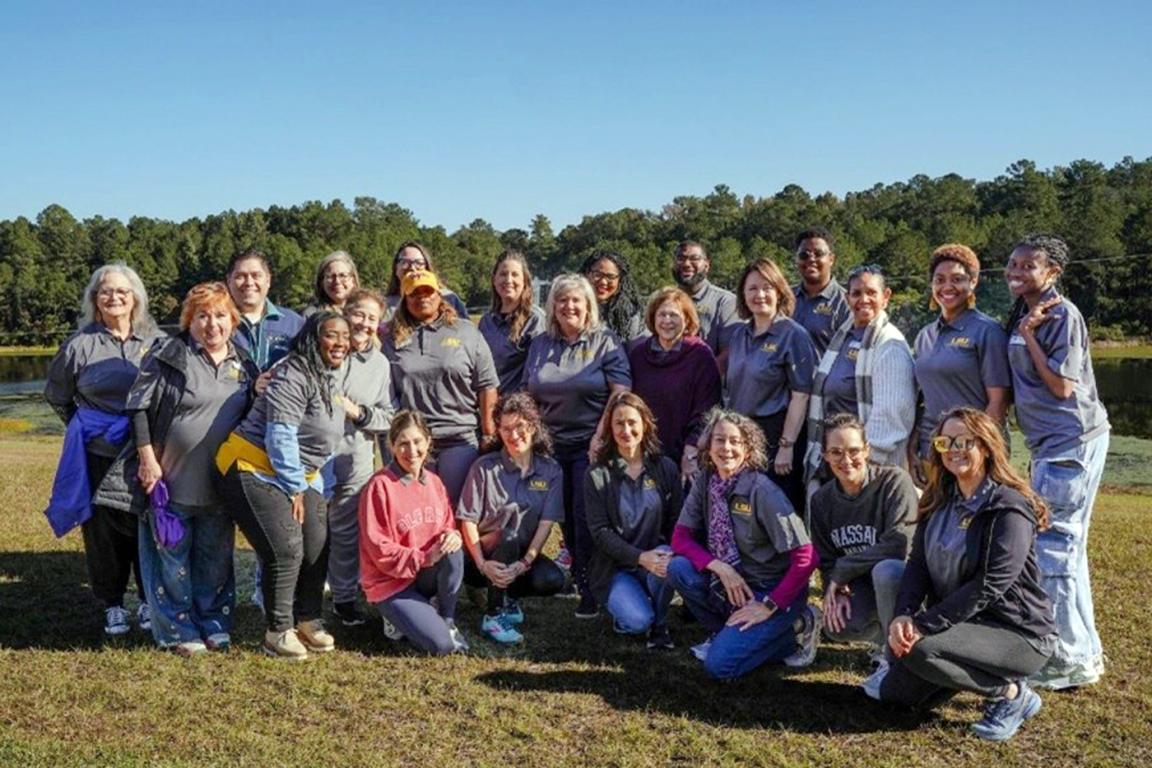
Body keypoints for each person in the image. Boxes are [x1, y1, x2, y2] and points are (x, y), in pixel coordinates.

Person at [869, 407, 1056, 743]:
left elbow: (992, 584)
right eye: (945, 442)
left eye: (963, 441)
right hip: (961, 626)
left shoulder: (1009, 507)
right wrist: (903, 615)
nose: (953, 449)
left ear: (984, 446)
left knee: (920, 650)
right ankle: (950, 669)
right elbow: (918, 564)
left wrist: (924, 625)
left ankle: (1011, 693)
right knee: (893, 696)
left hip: (1016, 631)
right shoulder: (939, 497)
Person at [118, 283, 260, 655]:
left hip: (220, 484)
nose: (211, 324)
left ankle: (213, 622)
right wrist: (147, 459)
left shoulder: (244, 363)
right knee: (172, 558)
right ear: (189, 320)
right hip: (171, 480)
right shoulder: (168, 355)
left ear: (233, 320)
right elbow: (138, 408)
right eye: (202, 315)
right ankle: (178, 630)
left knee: (214, 559)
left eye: (220, 316)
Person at [1004, 233, 1110, 689]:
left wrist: (1029, 337)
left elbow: (1062, 387)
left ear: (1052, 272)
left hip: (1070, 441)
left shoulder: (1060, 315)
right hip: (1050, 444)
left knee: (1054, 551)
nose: (1017, 271)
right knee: (1069, 550)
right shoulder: (1027, 311)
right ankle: (1085, 652)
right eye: (1012, 263)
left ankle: (1067, 659)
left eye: (1029, 265)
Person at [215, 312, 350, 659]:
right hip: (251, 465)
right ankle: (278, 630)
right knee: (286, 545)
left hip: (299, 475)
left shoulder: (329, 379)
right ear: (312, 338)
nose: (340, 343)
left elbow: (317, 442)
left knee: (317, 539)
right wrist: (295, 488)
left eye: (345, 337)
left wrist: (311, 487)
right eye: (332, 335)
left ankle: (308, 619)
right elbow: (280, 435)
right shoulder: (293, 371)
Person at [45, 263, 165, 637]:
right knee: (103, 533)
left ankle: (148, 599)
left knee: (147, 526)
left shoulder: (156, 342)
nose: (114, 297)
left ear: (135, 300)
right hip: (98, 452)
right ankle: (113, 604)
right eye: (106, 291)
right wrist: (88, 427)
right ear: (95, 300)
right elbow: (58, 396)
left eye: (122, 292)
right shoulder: (79, 345)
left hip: (147, 451)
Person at [666, 410, 819, 680]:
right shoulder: (706, 481)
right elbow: (680, 538)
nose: (727, 448)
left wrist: (769, 605)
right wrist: (722, 569)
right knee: (678, 568)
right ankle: (727, 633)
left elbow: (806, 556)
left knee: (720, 667)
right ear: (708, 446)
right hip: (731, 584)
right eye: (720, 440)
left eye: (735, 442)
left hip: (771, 591)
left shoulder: (762, 490)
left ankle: (796, 625)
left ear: (748, 449)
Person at [523, 273, 632, 618]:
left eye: (576, 301)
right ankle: (579, 577)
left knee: (586, 519)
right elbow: (530, 393)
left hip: (591, 444)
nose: (569, 306)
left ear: (589, 306)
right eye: (562, 300)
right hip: (550, 446)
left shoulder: (604, 341)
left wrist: (602, 436)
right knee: (563, 519)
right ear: (552, 306)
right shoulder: (541, 343)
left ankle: (591, 590)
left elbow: (620, 391)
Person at [456, 393, 567, 644]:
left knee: (553, 579)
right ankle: (493, 615)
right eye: (506, 429)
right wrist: (482, 563)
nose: (513, 435)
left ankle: (507, 597)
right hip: (480, 560)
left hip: (520, 557)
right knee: (507, 535)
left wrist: (526, 563)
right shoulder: (484, 467)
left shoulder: (551, 470)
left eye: (520, 426)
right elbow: (468, 522)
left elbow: (546, 524)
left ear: (533, 425)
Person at [381, 271, 499, 505]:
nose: (422, 297)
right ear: (404, 298)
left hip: (460, 438)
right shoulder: (391, 338)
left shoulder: (465, 331)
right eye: (414, 293)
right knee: (420, 509)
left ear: (439, 295)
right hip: (416, 442)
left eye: (428, 291)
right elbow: (387, 391)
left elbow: (487, 384)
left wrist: (488, 432)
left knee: (459, 509)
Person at [808, 414, 916, 667]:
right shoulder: (822, 500)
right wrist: (833, 593)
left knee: (885, 570)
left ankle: (896, 658)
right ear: (824, 455)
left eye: (854, 450)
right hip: (861, 583)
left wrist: (844, 570)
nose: (846, 460)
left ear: (867, 450)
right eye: (836, 452)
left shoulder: (894, 481)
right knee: (838, 626)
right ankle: (883, 639)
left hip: (905, 581)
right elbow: (826, 559)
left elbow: (900, 544)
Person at [359, 410, 468, 655]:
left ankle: (447, 620)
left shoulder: (434, 482)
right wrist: (423, 558)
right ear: (391, 446)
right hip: (390, 581)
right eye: (403, 444)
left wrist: (452, 535)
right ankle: (394, 616)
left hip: (423, 574)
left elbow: (447, 525)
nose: (412, 451)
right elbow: (378, 548)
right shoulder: (380, 486)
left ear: (428, 442)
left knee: (454, 550)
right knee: (441, 647)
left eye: (417, 442)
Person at [804, 265, 916, 490]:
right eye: (856, 293)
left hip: (869, 470)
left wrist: (862, 465)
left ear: (886, 297)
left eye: (871, 293)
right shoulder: (843, 337)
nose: (863, 299)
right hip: (838, 463)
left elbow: (892, 415)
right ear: (847, 298)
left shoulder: (889, 344)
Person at [585, 392, 683, 649]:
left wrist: (670, 553)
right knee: (638, 621)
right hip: (615, 567)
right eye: (618, 423)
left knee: (666, 562)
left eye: (632, 422)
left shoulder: (665, 468)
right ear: (609, 427)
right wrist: (639, 557)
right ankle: (630, 614)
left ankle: (660, 626)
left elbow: (676, 521)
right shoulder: (597, 473)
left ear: (645, 424)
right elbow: (600, 532)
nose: (626, 430)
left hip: (657, 556)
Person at [326, 290, 396, 627]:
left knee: (345, 531)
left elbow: (387, 416)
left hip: (355, 459)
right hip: (314, 455)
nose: (365, 324)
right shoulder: (324, 346)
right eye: (359, 315)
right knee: (306, 531)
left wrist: (360, 413)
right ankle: (298, 597)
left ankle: (343, 597)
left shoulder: (381, 365)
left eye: (372, 318)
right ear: (345, 312)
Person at [725, 258, 817, 512]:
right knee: (744, 509)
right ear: (743, 295)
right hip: (741, 436)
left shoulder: (793, 335)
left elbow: (801, 396)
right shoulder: (738, 335)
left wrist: (786, 446)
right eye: (752, 288)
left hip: (776, 436)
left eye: (767, 287)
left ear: (779, 290)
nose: (760, 295)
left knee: (778, 511)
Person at [912, 244, 1010, 474]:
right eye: (940, 279)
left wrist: (980, 447)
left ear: (973, 282)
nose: (947, 286)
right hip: (934, 449)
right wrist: (912, 448)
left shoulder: (988, 331)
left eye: (957, 279)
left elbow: (998, 402)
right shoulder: (925, 336)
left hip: (973, 450)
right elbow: (921, 401)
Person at [627, 287, 721, 478]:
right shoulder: (638, 355)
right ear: (653, 318)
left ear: (687, 320)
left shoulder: (700, 355)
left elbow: (708, 408)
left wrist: (691, 451)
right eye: (662, 314)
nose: (667, 321)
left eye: (674, 315)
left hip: (686, 455)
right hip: (644, 451)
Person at [478, 249, 547, 394]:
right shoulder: (486, 322)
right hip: (487, 405)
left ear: (525, 281)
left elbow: (538, 373)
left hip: (517, 408)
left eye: (515, 274)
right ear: (494, 280)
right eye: (503, 274)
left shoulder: (535, 319)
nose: (508, 280)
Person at [226, 248, 304, 374]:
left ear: (268, 280)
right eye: (240, 276)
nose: (249, 282)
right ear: (229, 280)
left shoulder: (294, 324)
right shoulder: (216, 323)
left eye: (256, 276)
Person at [671, 240, 740, 357]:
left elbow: (729, 352)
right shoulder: (662, 301)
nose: (686, 264)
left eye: (694, 258)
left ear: (707, 265)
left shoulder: (726, 302)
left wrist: (705, 375)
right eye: (681, 258)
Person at [790, 228, 851, 358]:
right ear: (797, 260)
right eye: (804, 255)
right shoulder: (784, 297)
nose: (811, 259)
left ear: (831, 259)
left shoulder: (846, 303)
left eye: (818, 253)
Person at [382, 241, 469, 323]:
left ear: (427, 267)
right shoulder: (383, 305)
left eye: (419, 263)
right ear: (396, 267)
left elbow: (466, 332)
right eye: (405, 262)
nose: (412, 267)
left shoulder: (449, 298)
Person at [580, 250, 645, 343]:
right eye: (597, 274)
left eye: (610, 276)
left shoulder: (631, 315)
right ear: (586, 274)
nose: (603, 282)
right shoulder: (571, 309)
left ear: (620, 281)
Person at [303, 250, 360, 316]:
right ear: (322, 282)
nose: (337, 281)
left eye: (342, 275)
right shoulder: (312, 315)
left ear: (353, 280)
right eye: (330, 276)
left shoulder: (365, 313)